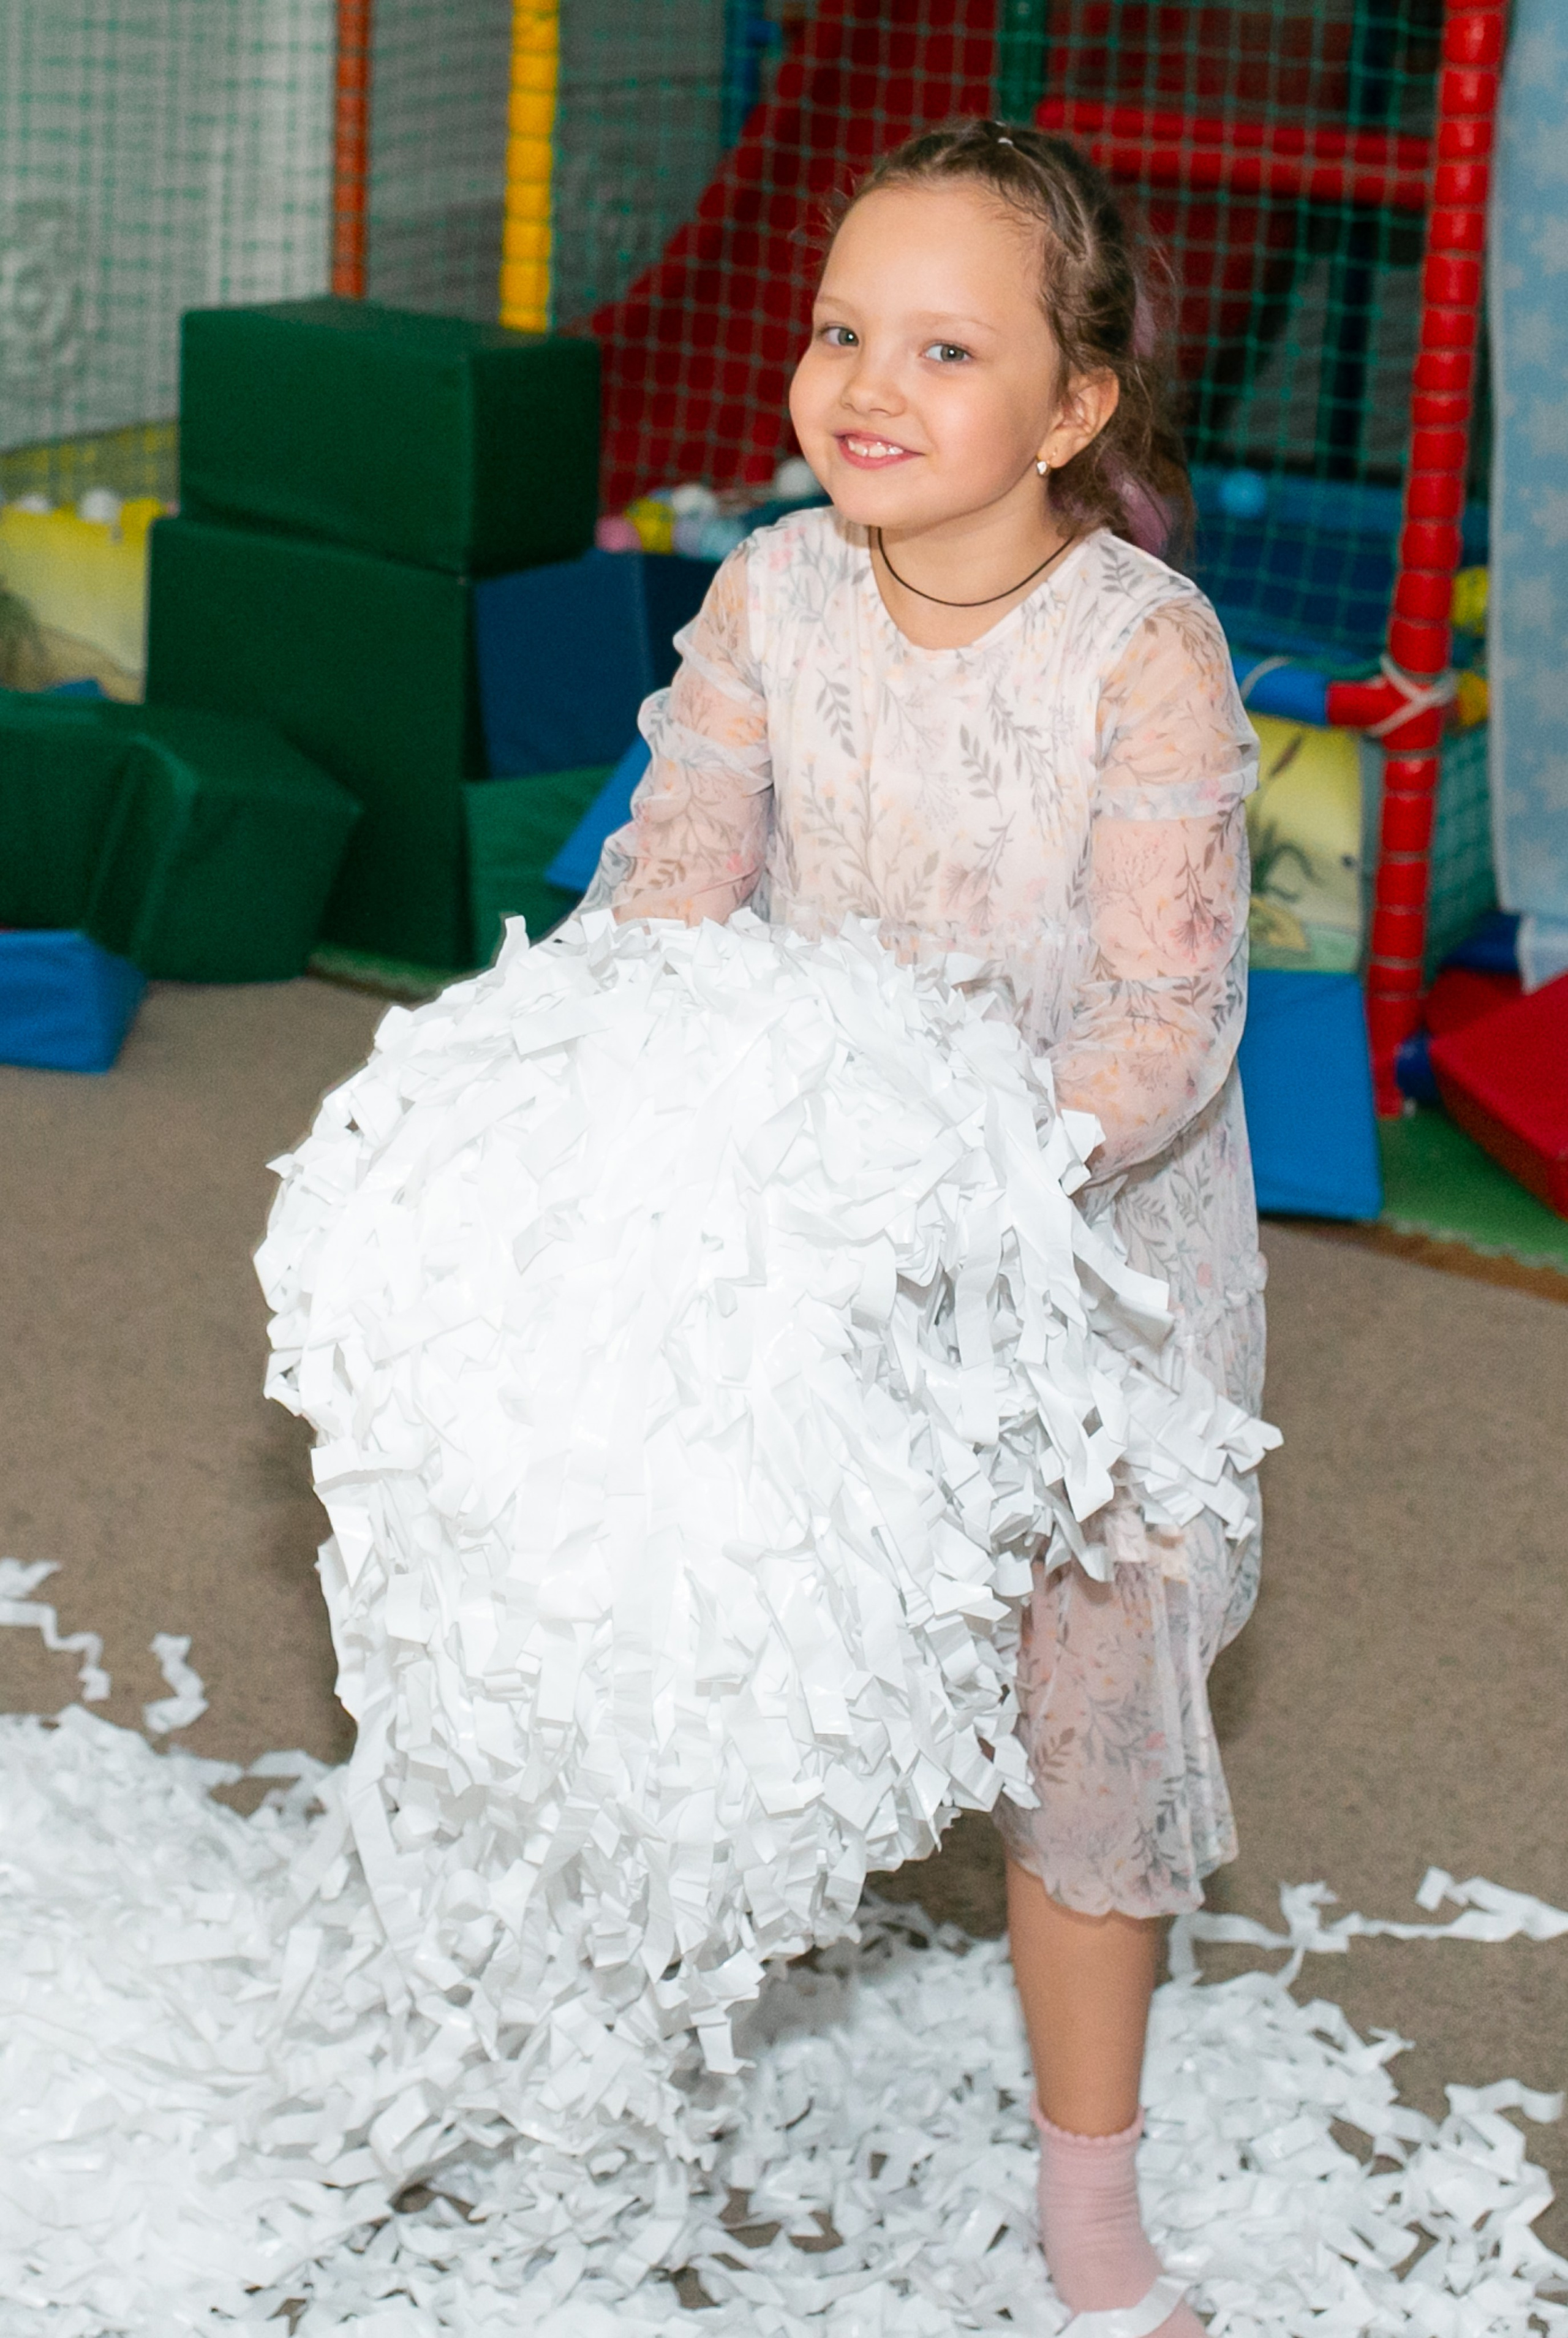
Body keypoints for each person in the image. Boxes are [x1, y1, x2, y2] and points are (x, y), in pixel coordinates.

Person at [599, 117, 1263, 2338]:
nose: (859, 382)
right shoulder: (774, 587)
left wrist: (965, 1181)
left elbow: (1169, 1012)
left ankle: (1091, 2194)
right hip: (806, 1236)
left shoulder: (1140, 649)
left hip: (1077, 1255)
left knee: (1081, 1701)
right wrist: (581, 1080)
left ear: (1075, 410)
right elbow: (672, 877)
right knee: (730, 1645)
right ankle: (646, 2070)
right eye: (837, 329)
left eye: (944, 348)